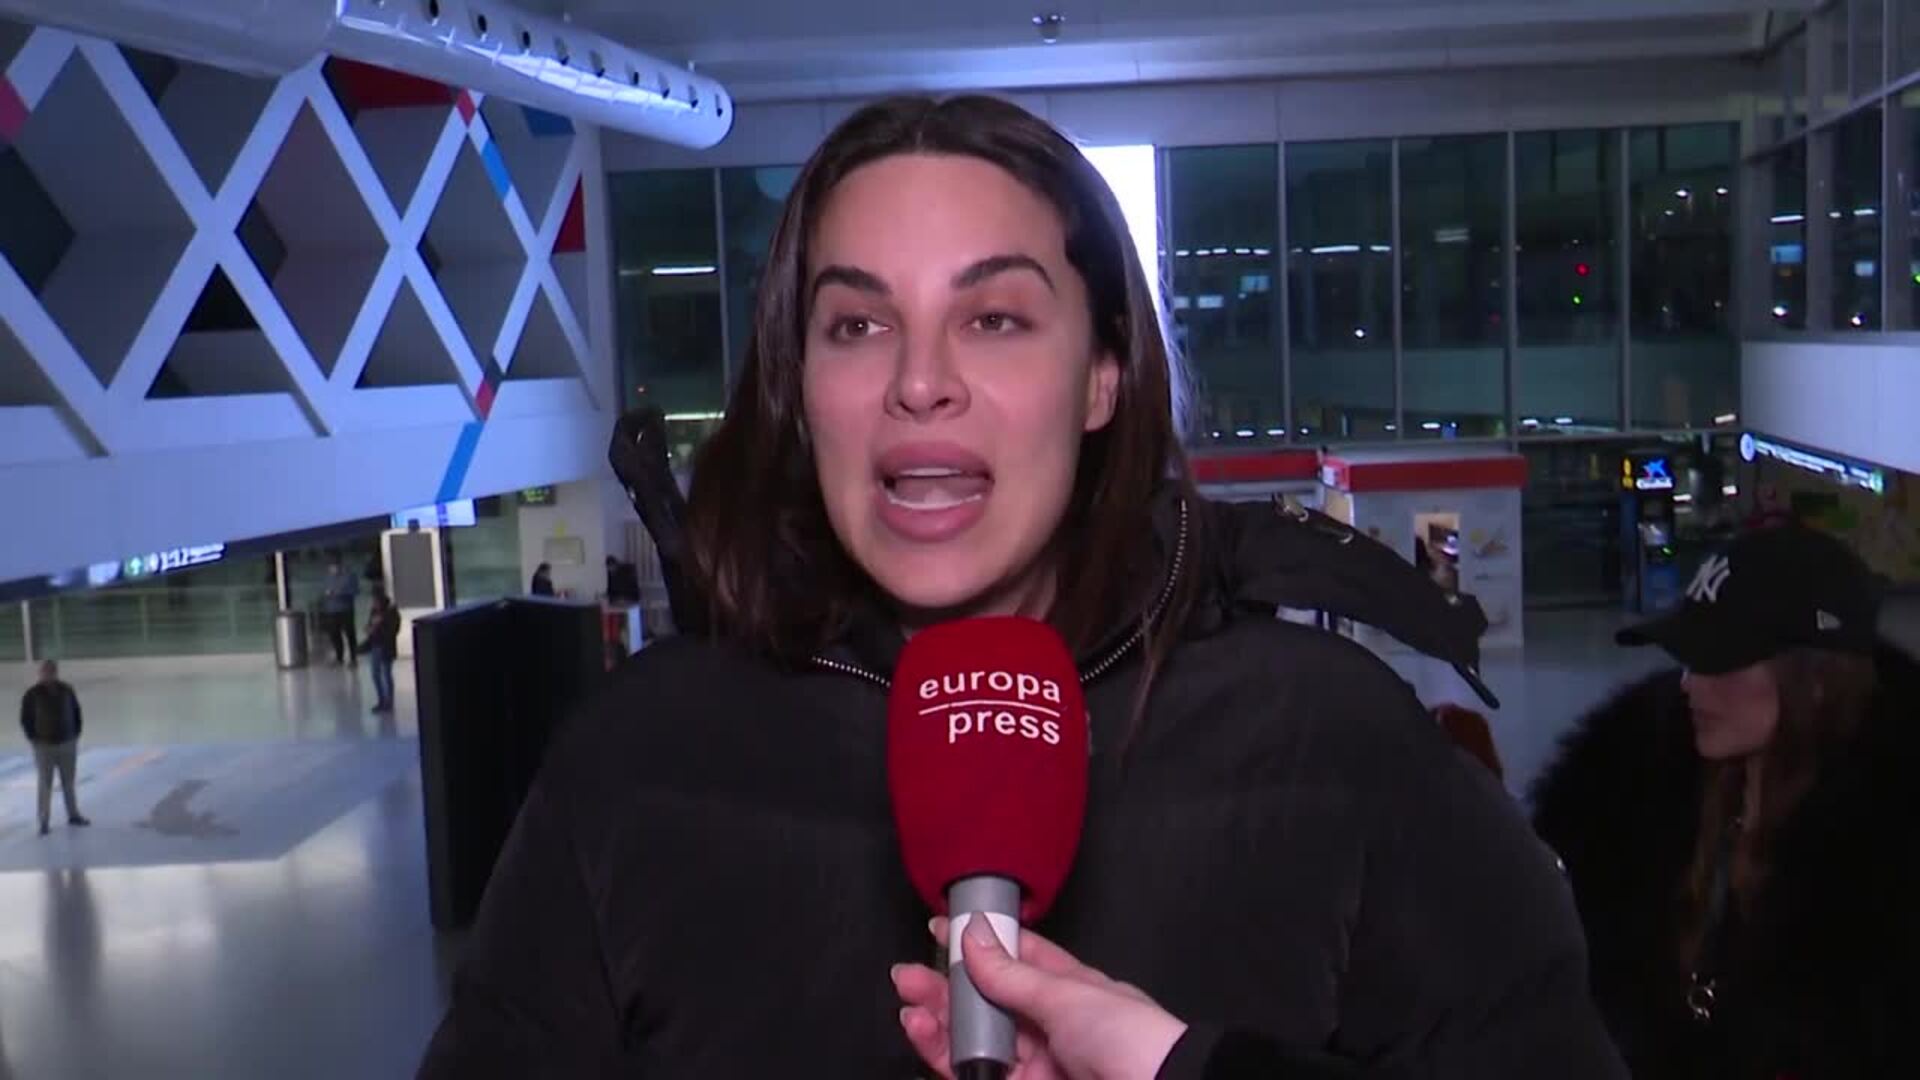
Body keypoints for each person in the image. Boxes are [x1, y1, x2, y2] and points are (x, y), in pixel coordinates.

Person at [417, 95, 1620, 1078]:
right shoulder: (638, 756)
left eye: (994, 318)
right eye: (856, 325)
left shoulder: (1333, 737)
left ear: (1102, 377)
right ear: (799, 387)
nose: (919, 381)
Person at [1530, 524, 1920, 1078]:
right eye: (1690, 659)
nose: (1689, 684)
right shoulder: (1632, 801)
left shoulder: (1892, 857)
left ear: (1815, 680)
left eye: (1720, 661)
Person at [19, 660, 91, 836]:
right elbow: (25, 718)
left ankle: (73, 815)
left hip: (67, 743)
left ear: (56, 673)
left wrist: (75, 733)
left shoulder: (67, 690)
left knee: (69, 782)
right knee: (45, 783)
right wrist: (33, 739)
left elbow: (76, 711)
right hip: (44, 746)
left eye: (51, 672)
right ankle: (44, 821)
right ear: (40, 674)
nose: (48, 675)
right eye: (45, 672)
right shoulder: (32, 694)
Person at [359, 590, 402, 715]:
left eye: (375, 601)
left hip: (386, 647)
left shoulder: (391, 613)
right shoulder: (375, 612)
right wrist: (370, 628)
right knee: (376, 674)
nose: (374, 604)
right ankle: (381, 700)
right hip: (375, 646)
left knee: (386, 674)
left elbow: (393, 631)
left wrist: (379, 625)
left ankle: (388, 701)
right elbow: (370, 627)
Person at [319, 557, 360, 667]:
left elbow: (355, 591)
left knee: (349, 633)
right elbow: (323, 591)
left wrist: (338, 593)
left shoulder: (349, 576)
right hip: (332, 610)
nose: (332, 569)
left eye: (334, 566)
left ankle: (353, 657)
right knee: (334, 633)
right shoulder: (327, 577)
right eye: (330, 567)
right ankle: (339, 656)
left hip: (346, 609)